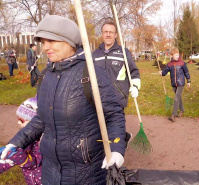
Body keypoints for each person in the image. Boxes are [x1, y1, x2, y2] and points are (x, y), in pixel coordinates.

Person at [0, 15, 126, 184]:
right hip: (50, 171)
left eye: (51, 41)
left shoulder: (91, 73)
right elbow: (41, 119)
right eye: (43, 42)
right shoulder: (46, 76)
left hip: (86, 173)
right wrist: (17, 142)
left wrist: (117, 149)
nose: (45, 47)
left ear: (69, 41)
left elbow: (113, 115)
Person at [92, 21, 141, 146]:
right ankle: (123, 137)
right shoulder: (94, 54)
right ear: (102, 34)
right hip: (99, 98)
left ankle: (118, 151)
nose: (108, 35)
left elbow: (134, 71)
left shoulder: (124, 53)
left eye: (111, 32)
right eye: (105, 32)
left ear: (115, 35)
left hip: (117, 99)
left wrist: (135, 86)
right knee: (100, 128)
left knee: (115, 128)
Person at [0, 96, 42, 185]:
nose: (18, 123)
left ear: (33, 121)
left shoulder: (41, 140)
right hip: (32, 181)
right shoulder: (22, 138)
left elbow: (35, 162)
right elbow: (8, 161)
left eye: (21, 120)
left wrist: (18, 156)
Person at [159, 48, 191, 122]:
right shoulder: (169, 64)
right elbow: (165, 72)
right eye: (175, 55)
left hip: (181, 83)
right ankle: (182, 110)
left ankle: (173, 115)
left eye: (177, 55)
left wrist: (188, 81)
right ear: (172, 55)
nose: (177, 56)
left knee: (176, 98)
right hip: (173, 83)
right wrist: (162, 73)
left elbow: (186, 72)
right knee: (179, 97)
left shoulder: (182, 63)